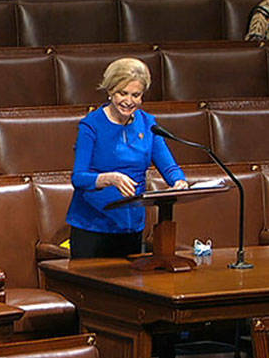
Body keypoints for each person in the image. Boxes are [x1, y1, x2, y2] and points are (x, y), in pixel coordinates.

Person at [68, 57, 188, 259]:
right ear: (110, 91)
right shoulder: (91, 125)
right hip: (93, 228)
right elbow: (78, 178)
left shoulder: (148, 124)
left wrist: (179, 182)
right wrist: (110, 178)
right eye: (122, 93)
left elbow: (170, 168)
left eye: (136, 95)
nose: (129, 101)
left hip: (131, 227)